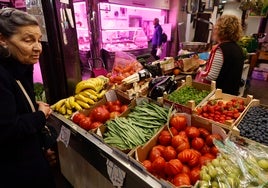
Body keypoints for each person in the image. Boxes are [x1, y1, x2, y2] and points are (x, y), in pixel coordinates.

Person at [0, 8, 55, 187]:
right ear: (3, 40)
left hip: (29, 157)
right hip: (15, 171)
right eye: (28, 40)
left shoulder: (20, 64)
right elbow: (8, 129)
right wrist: (40, 115)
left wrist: (40, 148)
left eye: (39, 40)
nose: (38, 47)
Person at [196, 15, 244, 95]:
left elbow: (211, 76)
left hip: (219, 94)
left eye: (216, 28)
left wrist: (200, 71)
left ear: (221, 30)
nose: (214, 30)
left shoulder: (220, 49)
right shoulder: (238, 48)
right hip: (232, 94)